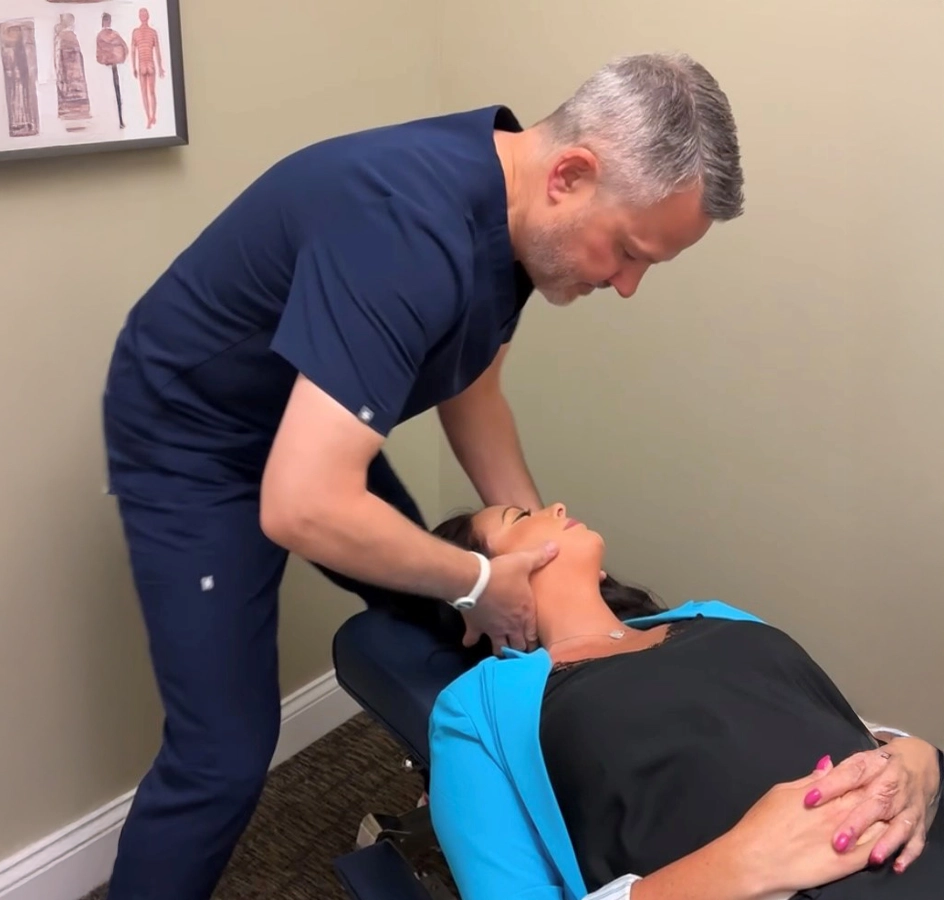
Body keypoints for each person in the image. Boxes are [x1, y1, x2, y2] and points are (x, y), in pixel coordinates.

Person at [101, 52, 744, 898]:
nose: (626, 286)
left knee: (453, 614)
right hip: (197, 434)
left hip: (309, 428)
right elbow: (301, 505)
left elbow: (473, 397)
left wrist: (533, 561)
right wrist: (479, 576)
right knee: (221, 754)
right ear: (571, 175)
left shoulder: (513, 217)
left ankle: (481, 826)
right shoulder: (404, 229)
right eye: (628, 252)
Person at [428, 502, 944, 899]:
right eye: (519, 516)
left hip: (921, 834)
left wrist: (913, 755)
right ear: (476, 583)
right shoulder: (477, 709)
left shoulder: (714, 616)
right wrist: (745, 862)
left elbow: (826, 723)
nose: (556, 507)